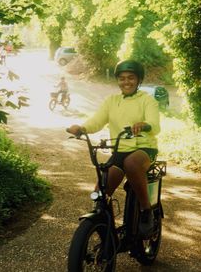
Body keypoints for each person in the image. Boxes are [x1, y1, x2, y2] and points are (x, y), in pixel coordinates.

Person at [67, 59, 160, 238]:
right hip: (119, 151)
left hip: (144, 149)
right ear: (117, 80)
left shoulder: (147, 100)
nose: (126, 82)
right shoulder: (111, 101)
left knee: (131, 163)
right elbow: (97, 120)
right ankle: (105, 229)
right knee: (100, 192)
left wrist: (145, 124)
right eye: (122, 78)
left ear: (139, 79)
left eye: (131, 78)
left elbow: (155, 125)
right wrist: (82, 128)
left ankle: (146, 211)